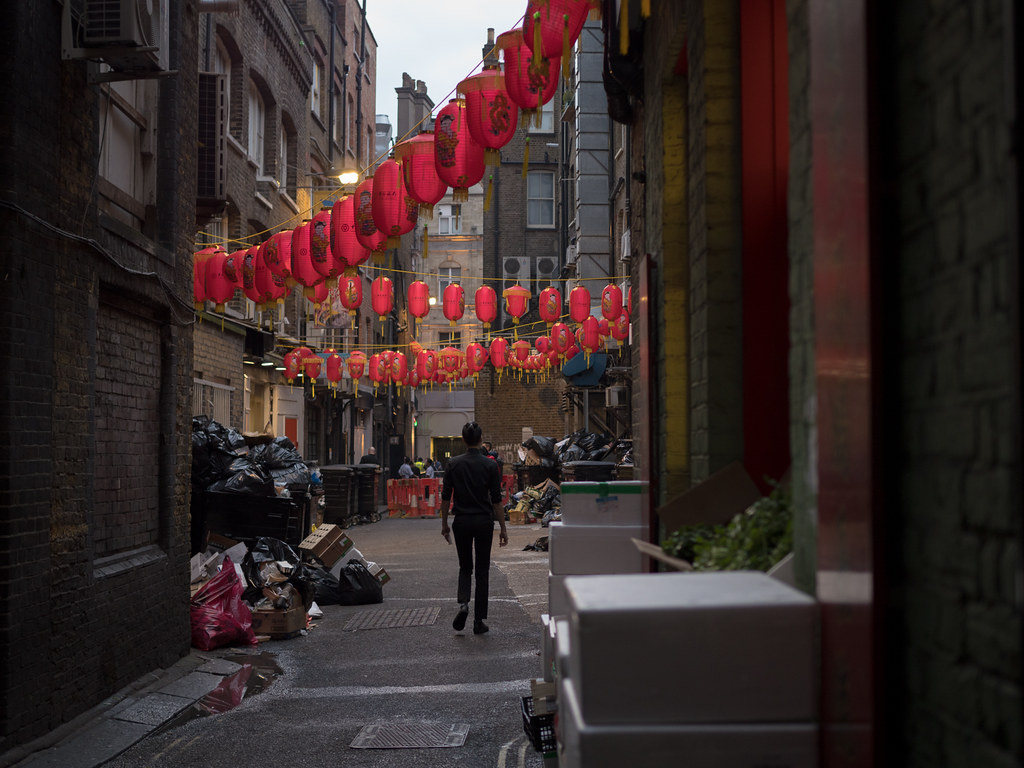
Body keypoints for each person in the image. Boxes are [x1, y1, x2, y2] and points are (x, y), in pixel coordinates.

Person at [440, 423, 508, 635]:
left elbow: (445, 498)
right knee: (482, 571)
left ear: (463, 440)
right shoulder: (490, 466)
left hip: (461, 522)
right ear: (480, 440)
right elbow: (497, 502)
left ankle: (463, 604)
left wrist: (444, 525)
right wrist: (503, 528)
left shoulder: (453, 464)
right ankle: (478, 621)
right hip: (483, 522)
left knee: (465, 567)